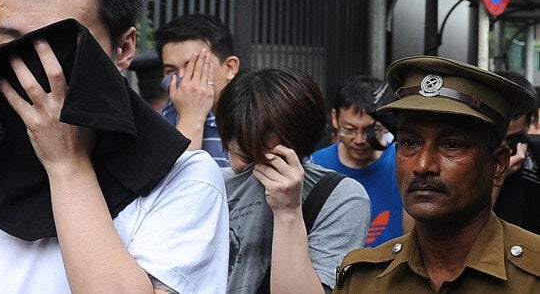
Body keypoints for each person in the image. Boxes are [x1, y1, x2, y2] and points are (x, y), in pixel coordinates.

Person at [0, 0, 229, 293]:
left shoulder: (184, 183)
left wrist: (67, 164)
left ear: (124, 49)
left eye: (58, 45)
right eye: (10, 43)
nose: (36, 68)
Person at [334, 56, 540, 293]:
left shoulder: (531, 278)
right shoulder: (364, 280)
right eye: (410, 142)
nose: (423, 165)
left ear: (498, 165)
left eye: (451, 145)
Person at [215, 68, 370, 293]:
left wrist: (288, 211)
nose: (256, 171)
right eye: (247, 157)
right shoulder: (214, 187)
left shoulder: (341, 197)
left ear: (300, 148)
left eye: (273, 159)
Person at [311, 76, 412, 247]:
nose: (359, 140)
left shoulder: (402, 161)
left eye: (371, 130)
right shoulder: (316, 165)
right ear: (335, 118)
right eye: (349, 130)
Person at [155, 14, 240, 167]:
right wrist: (191, 117)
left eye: (193, 67)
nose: (183, 81)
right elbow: (172, 187)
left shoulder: (255, 117)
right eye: (171, 71)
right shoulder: (159, 124)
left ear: (230, 68)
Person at [492, 71, 540, 234]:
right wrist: (499, 174)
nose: (505, 124)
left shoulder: (534, 149)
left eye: (513, 116)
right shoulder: (471, 153)